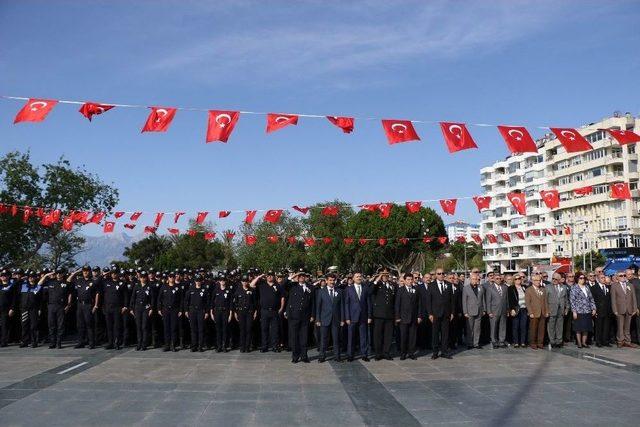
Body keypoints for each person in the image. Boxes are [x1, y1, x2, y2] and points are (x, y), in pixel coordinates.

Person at [251, 272, 285, 353]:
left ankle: (275, 346)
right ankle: (264, 346)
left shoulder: (278, 286)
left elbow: (282, 297)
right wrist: (259, 276)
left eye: (271, 275)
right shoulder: (262, 285)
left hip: (274, 311)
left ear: (274, 277)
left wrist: (281, 308)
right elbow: (251, 285)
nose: (270, 277)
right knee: (264, 329)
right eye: (268, 275)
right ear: (266, 277)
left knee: (275, 330)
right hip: (264, 311)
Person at [68, 266, 100, 349]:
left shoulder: (93, 281)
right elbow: (68, 280)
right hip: (79, 305)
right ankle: (81, 342)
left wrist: (96, 305)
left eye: (87, 271)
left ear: (90, 271)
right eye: (84, 271)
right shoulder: (79, 280)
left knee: (89, 324)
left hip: (88, 305)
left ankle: (91, 343)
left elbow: (97, 294)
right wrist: (75, 273)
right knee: (80, 325)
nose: (86, 272)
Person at [285, 271, 314, 363]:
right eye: (300, 276)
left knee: (304, 337)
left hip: (305, 316)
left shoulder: (311, 287)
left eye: (303, 276)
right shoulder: (292, 286)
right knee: (294, 337)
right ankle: (295, 356)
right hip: (294, 315)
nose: (301, 277)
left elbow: (313, 303)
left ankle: (304, 356)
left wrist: (312, 315)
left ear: (306, 277)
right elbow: (283, 285)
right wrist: (294, 276)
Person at [40, 269, 72, 349]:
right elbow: (39, 283)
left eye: (60, 273)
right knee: (51, 325)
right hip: (51, 306)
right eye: (57, 273)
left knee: (60, 325)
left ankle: (59, 342)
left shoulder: (66, 283)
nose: (58, 275)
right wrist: (47, 275)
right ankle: (52, 342)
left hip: (61, 306)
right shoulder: (50, 282)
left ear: (62, 274)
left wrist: (68, 304)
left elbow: (70, 294)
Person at [425, 268, 454, 359]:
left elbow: (452, 300)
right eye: (439, 273)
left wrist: (452, 312)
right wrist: (430, 313)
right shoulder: (431, 285)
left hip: (446, 313)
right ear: (436, 275)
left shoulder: (449, 285)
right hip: (435, 314)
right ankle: (435, 352)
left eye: (442, 273)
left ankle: (444, 352)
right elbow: (428, 301)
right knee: (435, 334)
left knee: (445, 334)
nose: (441, 275)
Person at [316, 273, 344, 362]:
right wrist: (318, 319)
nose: (332, 282)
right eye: (330, 280)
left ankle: (337, 356)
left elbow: (342, 306)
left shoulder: (339, 291)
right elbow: (318, 307)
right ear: (326, 281)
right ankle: (322, 356)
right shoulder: (321, 291)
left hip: (336, 319)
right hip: (324, 319)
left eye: (333, 280)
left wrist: (342, 319)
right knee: (324, 339)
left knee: (336, 339)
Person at [344, 272, 372, 361]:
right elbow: (346, 304)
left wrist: (369, 316)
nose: (359, 278)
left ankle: (364, 354)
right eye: (357, 277)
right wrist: (347, 317)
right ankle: (350, 355)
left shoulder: (365, 288)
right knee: (351, 337)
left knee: (364, 337)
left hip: (363, 317)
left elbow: (369, 303)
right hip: (352, 317)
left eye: (360, 276)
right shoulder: (348, 289)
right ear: (353, 278)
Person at [394, 273, 422, 360]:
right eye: (408, 280)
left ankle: (411, 353)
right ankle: (403, 353)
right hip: (403, 317)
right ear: (405, 280)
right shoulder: (400, 290)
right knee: (403, 336)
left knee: (412, 337)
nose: (410, 281)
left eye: (411, 279)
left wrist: (419, 316)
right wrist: (397, 317)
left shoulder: (416, 289)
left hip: (413, 317)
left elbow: (419, 304)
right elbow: (397, 304)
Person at [371, 269, 396, 360]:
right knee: (378, 335)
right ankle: (378, 353)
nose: (385, 276)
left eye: (386, 274)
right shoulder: (377, 284)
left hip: (389, 314)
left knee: (388, 335)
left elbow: (395, 299)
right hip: (379, 314)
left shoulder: (392, 285)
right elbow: (370, 291)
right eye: (383, 274)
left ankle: (386, 352)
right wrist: (377, 279)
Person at [610, 271, 639, 348]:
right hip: (619, 309)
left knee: (627, 327)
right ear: (617, 277)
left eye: (624, 275)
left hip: (629, 309)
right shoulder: (614, 286)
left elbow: (634, 298)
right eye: (621, 276)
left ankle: (627, 341)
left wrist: (635, 308)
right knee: (620, 326)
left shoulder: (630, 285)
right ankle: (620, 341)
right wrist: (615, 310)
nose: (623, 277)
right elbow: (613, 299)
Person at [101, 268, 128, 350]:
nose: (114, 274)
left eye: (115, 273)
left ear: (118, 273)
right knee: (109, 327)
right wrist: (104, 274)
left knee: (117, 326)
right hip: (108, 307)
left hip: (117, 308)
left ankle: (117, 342)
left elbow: (126, 296)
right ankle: (110, 343)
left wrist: (125, 306)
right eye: (112, 273)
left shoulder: (122, 283)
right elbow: (96, 283)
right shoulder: (106, 282)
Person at [569, 272, 596, 348]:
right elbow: (572, 301)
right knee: (579, 328)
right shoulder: (574, 288)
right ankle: (579, 343)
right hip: (579, 311)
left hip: (587, 310)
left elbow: (591, 299)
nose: (582, 279)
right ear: (577, 279)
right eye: (580, 278)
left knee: (586, 328)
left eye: (583, 278)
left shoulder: (587, 287)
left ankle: (584, 342)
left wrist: (593, 308)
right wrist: (574, 311)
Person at [158, 273, 183, 352]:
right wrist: (159, 309)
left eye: (173, 277)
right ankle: (167, 345)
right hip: (165, 310)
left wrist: (180, 310)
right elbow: (159, 299)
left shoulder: (178, 288)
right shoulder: (163, 287)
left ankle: (173, 345)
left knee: (173, 328)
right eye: (170, 277)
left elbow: (181, 300)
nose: (171, 278)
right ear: (168, 278)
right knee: (166, 328)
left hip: (174, 310)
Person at [184, 275, 209, 352]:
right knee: (193, 330)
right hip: (192, 311)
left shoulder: (204, 290)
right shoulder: (190, 290)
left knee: (201, 329)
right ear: (195, 281)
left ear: (201, 281)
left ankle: (200, 346)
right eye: (196, 280)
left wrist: (207, 312)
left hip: (201, 311)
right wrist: (186, 311)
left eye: (199, 280)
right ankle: (194, 346)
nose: (198, 282)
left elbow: (207, 302)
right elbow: (186, 301)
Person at [129, 272, 154, 351]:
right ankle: (139, 343)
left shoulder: (149, 287)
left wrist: (151, 309)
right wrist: (131, 308)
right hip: (137, 308)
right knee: (138, 326)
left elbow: (152, 299)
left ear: (146, 278)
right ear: (139, 278)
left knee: (144, 326)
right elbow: (133, 298)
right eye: (141, 277)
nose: (143, 279)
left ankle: (144, 344)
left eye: (144, 277)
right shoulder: (136, 286)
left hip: (146, 308)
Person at [232, 275, 256, 353]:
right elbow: (235, 303)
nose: (245, 282)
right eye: (243, 281)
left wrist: (255, 312)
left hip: (249, 312)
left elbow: (255, 303)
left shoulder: (252, 290)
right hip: (241, 312)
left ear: (248, 282)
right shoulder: (238, 291)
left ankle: (247, 347)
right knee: (242, 330)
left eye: (246, 281)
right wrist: (235, 313)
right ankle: (242, 347)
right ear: (241, 282)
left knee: (248, 330)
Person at [525, 274, 549, 350]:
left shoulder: (543, 289)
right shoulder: (529, 290)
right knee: (533, 329)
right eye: (536, 280)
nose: (538, 282)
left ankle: (540, 343)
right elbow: (527, 303)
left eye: (539, 280)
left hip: (542, 312)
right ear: (532, 281)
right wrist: (530, 312)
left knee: (541, 329)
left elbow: (546, 301)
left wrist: (547, 311)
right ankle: (533, 343)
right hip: (534, 312)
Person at [19, 272, 42, 348]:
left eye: (33, 277)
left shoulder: (38, 287)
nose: (31, 278)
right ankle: (24, 341)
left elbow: (41, 299)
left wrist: (39, 308)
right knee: (24, 325)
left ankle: (34, 342)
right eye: (29, 277)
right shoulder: (23, 285)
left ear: (35, 278)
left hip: (34, 309)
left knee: (33, 326)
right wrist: (21, 279)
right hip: (24, 309)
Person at [546, 273, 569, 348]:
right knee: (551, 326)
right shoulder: (548, 287)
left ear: (559, 280)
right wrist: (547, 310)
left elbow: (566, 299)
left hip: (561, 309)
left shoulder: (564, 287)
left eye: (556, 279)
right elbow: (545, 300)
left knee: (560, 326)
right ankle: (552, 341)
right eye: (553, 278)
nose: (554, 280)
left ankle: (559, 341)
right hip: (551, 309)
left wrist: (567, 308)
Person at [462, 273, 485, 349]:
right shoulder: (466, 288)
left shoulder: (480, 287)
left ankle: (476, 343)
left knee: (477, 328)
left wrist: (484, 309)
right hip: (470, 311)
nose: (475, 281)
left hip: (479, 310)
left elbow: (483, 299)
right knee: (470, 328)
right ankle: (470, 343)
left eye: (477, 279)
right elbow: (464, 301)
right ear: (470, 280)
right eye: (474, 279)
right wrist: (465, 312)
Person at [485, 273, 508, 348]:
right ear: (494, 279)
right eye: (497, 278)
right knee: (493, 326)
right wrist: (489, 311)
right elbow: (488, 301)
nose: (499, 280)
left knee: (503, 326)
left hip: (503, 310)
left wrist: (507, 309)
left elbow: (506, 299)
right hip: (494, 310)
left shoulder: (505, 287)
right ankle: (494, 341)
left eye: (500, 278)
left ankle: (502, 341)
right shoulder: (490, 288)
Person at [210, 276, 232, 352]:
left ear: (225, 281)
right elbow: (212, 302)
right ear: (219, 281)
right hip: (217, 312)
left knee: (225, 329)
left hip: (225, 312)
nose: (222, 281)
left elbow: (231, 303)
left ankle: (224, 346)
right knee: (218, 330)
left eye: (224, 280)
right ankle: (219, 346)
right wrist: (211, 312)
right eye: (221, 280)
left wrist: (230, 314)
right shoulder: (216, 290)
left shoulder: (228, 290)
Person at [590, 271, 611, 347]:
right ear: (598, 279)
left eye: (604, 277)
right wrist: (594, 310)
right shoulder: (594, 288)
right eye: (602, 278)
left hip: (607, 311)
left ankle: (605, 341)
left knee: (606, 327)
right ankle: (598, 341)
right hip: (599, 310)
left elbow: (609, 299)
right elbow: (592, 300)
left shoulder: (607, 287)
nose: (604, 279)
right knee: (599, 327)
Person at [507, 275, 528, 348]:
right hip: (516, 309)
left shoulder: (524, 287)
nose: (518, 280)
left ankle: (522, 342)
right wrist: (511, 309)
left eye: (519, 278)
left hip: (524, 309)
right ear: (514, 280)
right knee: (515, 326)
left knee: (523, 326)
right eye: (516, 279)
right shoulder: (510, 288)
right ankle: (516, 342)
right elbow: (510, 300)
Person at [0, 269, 17, 347]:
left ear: (8, 276)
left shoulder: (12, 285)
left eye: (5, 275)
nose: (3, 277)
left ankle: (4, 341)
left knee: (4, 325)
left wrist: (12, 308)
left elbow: (14, 298)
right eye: (2, 276)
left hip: (6, 309)